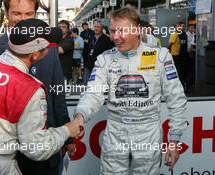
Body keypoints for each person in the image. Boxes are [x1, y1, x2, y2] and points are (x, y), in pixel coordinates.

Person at [0, 18, 81, 175]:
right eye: (47, 46)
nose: (50, 50)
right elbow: (36, 149)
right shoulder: (31, 89)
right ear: (35, 55)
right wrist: (67, 130)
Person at [74, 6, 188, 174]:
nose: (115, 37)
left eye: (122, 31)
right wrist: (80, 115)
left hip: (148, 134)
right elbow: (93, 93)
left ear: (137, 30)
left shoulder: (160, 57)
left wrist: (174, 140)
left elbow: (176, 99)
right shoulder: (105, 59)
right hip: (115, 133)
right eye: (112, 31)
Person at [83, 19, 114, 85]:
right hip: (89, 65)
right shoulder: (91, 37)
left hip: (100, 66)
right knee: (86, 83)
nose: (96, 28)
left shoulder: (106, 39)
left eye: (98, 27)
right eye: (95, 27)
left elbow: (109, 52)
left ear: (102, 28)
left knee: (97, 85)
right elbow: (87, 49)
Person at [58, 20, 75, 85]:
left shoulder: (70, 39)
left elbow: (60, 50)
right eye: (60, 27)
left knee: (64, 90)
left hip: (65, 69)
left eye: (64, 27)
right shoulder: (58, 38)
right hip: (57, 67)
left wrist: (47, 49)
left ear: (68, 29)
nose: (61, 28)